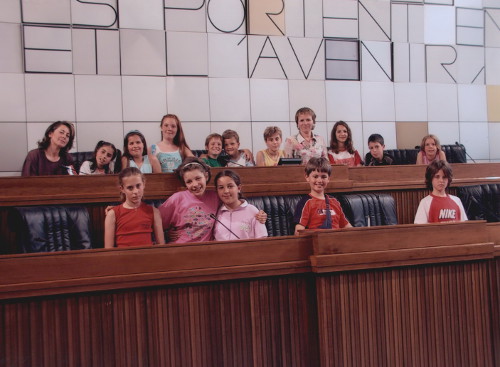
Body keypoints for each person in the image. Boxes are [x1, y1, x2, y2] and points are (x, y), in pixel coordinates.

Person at [158, 157, 266, 243]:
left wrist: (258, 214)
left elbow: (234, 202)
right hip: (180, 250)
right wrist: (166, 233)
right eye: (189, 181)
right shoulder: (177, 199)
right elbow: (156, 221)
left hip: (207, 252)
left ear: (205, 176)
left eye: (198, 178)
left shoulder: (215, 197)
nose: (195, 184)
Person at [104, 167, 165, 248]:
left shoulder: (154, 212)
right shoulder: (112, 214)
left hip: (147, 258)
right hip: (123, 258)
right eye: (130, 188)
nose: (135, 191)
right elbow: (108, 250)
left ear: (144, 184)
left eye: (138, 186)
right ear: (122, 189)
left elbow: (161, 247)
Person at [294, 157, 352, 235]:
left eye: (323, 177)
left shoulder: (334, 201)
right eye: (315, 176)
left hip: (338, 243)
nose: (319, 181)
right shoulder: (305, 203)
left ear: (328, 179)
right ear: (307, 177)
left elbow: (347, 227)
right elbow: (298, 232)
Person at [213, 170, 268, 241]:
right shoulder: (216, 211)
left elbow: (262, 240)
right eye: (221, 187)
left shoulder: (253, 211)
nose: (226, 191)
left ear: (239, 188)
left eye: (230, 186)